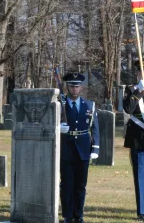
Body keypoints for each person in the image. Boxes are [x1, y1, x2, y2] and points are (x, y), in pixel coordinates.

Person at [59, 72, 100, 223]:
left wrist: (95, 148)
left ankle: (79, 215)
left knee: (81, 185)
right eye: (71, 86)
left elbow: (95, 128)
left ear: (81, 87)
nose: (74, 89)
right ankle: (67, 215)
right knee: (67, 184)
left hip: (83, 149)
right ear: (67, 87)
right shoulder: (59, 103)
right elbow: (48, 123)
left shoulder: (89, 105)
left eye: (77, 86)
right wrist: (58, 127)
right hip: (66, 148)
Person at [123, 59, 144, 221]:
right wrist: (138, 91)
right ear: (137, 73)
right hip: (138, 138)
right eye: (142, 72)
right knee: (140, 176)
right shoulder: (131, 90)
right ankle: (141, 211)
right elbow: (128, 108)